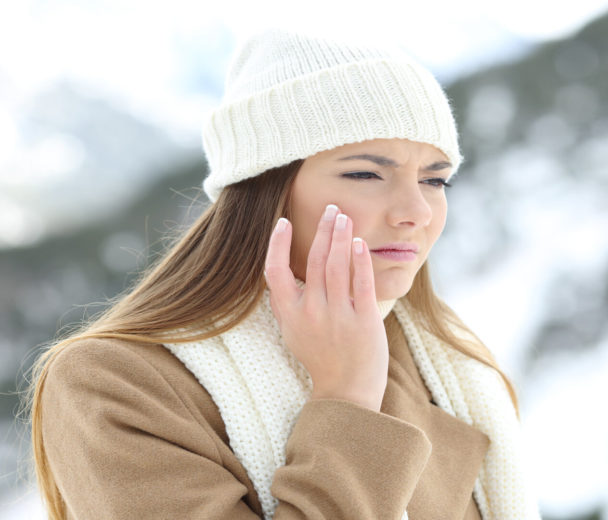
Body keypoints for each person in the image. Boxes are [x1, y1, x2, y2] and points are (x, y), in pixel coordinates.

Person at [24, 27, 540, 520]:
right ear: (264, 191)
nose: (417, 211)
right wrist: (346, 397)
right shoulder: (116, 383)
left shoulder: (446, 364)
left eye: (435, 180)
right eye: (365, 173)